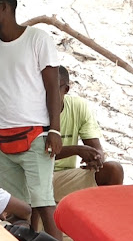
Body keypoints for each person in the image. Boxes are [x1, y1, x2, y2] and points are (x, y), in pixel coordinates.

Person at [0, 0, 63, 240]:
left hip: (37, 134)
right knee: (18, 209)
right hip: (3, 137)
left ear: (5, 8)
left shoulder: (37, 39)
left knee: (43, 201)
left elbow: (52, 87)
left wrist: (54, 129)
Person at [52, 66, 124, 203]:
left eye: (52, 88)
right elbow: (36, 155)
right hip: (36, 177)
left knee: (114, 169)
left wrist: (96, 159)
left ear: (66, 89)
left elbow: (97, 149)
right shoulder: (32, 109)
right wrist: (77, 150)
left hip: (64, 177)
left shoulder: (78, 106)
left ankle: (105, 220)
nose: (46, 93)